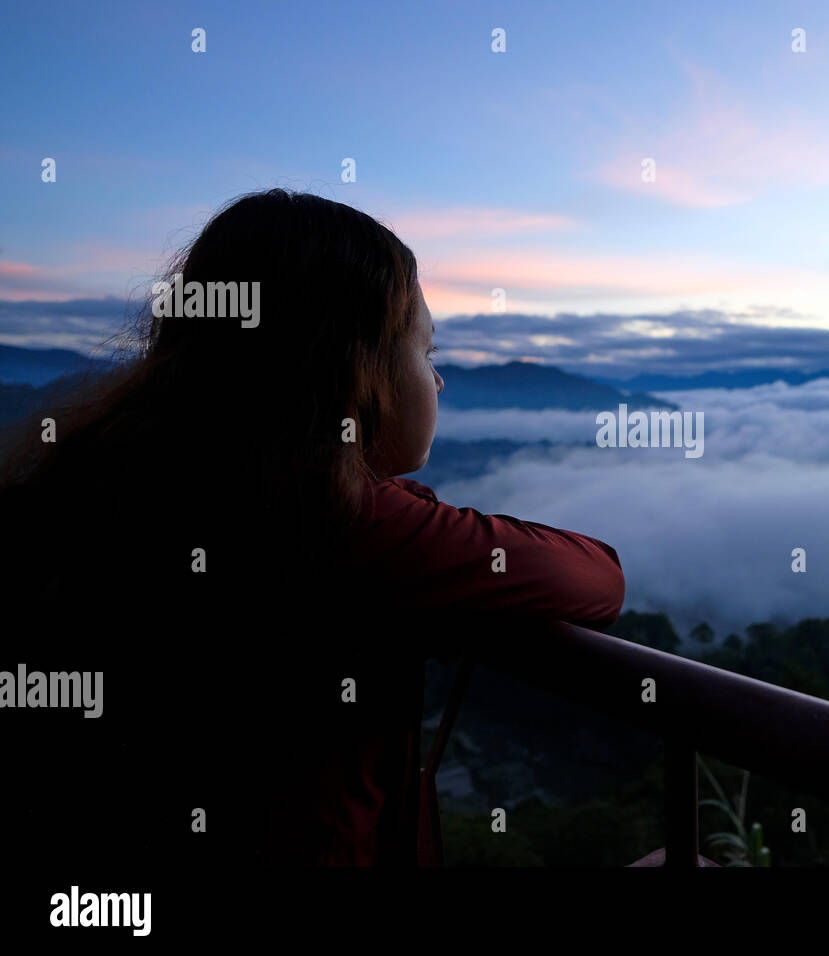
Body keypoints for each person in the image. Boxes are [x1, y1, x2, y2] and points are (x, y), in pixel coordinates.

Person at [0, 188, 625, 868]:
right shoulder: (342, 524)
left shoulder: (84, 480)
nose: (440, 382)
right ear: (359, 367)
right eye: (427, 350)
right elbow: (597, 577)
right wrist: (400, 507)